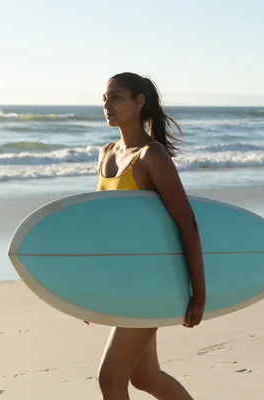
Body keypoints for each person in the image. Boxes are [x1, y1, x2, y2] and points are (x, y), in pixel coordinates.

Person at [91, 72, 206, 400]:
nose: (107, 105)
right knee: (145, 377)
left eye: (116, 97)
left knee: (110, 379)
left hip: (152, 281)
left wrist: (198, 294)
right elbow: (102, 230)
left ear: (139, 102)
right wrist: (84, 292)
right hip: (124, 280)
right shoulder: (106, 154)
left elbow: (188, 224)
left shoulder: (151, 156)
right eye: (104, 98)